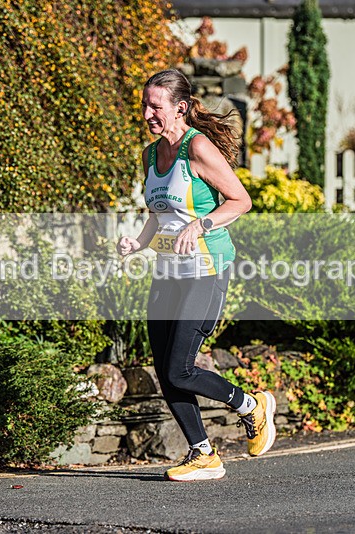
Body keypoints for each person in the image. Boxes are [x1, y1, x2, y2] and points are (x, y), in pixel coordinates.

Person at [117, 69, 276, 481]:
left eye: (156, 106)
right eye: (145, 105)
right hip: (167, 270)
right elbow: (158, 215)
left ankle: (251, 406)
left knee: (180, 368)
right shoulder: (151, 155)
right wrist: (138, 242)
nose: (148, 113)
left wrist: (201, 225)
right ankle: (203, 454)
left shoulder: (198, 147)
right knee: (165, 367)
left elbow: (241, 201)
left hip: (206, 268)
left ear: (180, 108)